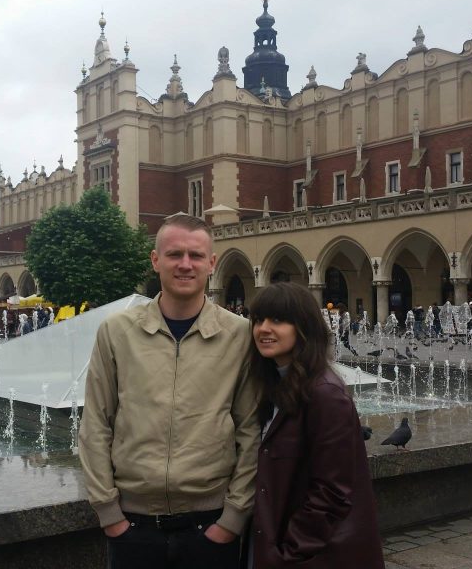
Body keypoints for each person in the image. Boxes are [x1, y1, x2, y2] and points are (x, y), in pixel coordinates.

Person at [79, 213, 259, 569]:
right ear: (156, 260)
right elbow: (96, 423)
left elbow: (250, 430)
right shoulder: (117, 331)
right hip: (133, 525)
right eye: (175, 254)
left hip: (211, 523)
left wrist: (233, 518)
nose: (185, 265)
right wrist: (110, 514)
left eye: (195, 256)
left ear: (212, 263)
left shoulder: (239, 335)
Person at [246, 282, 384, 568]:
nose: (264, 328)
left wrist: (289, 552)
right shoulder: (275, 385)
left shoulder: (324, 394)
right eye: (258, 319)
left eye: (278, 320)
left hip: (307, 556)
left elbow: (332, 491)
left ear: (304, 327)